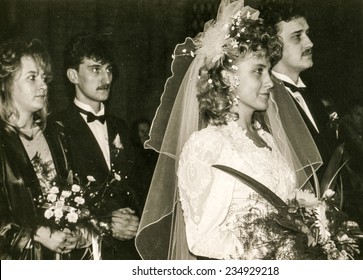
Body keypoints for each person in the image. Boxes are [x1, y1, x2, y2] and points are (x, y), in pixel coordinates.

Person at [136, 0, 322, 260]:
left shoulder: (267, 138)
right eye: (258, 71)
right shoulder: (208, 144)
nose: (269, 82)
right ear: (226, 78)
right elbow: (202, 239)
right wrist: (273, 251)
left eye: (269, 70)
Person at [52, 33, 140, 259]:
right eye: (95, 69)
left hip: (128, 252)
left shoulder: (121, 127)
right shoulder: (56, 128)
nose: (106, 78)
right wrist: (105, 222)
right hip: (85, 254)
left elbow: (141, 185)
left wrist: (134, 219)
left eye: (109, 69)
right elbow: (55, 197)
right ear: (73, 75)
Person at [0, 38, 88, 259]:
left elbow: (75, 193)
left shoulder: (57, 134)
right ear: (7, 83)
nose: (43, 85)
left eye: (44, 78)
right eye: (32, 78)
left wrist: (77, 229)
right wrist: (37, 234)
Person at [262, 3, 339, 180]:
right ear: (273, 45)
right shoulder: (266, 102)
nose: (309, 43)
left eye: (307, 34)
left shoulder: (311, 93)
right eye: (297, 36)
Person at [130, 119, 158, 208]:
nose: (146, 135)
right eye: (142, 131)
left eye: (148, 131)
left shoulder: (155, 152)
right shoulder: (132, 152)